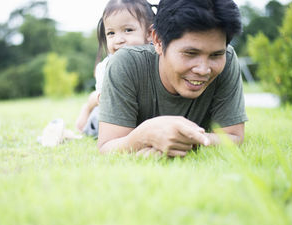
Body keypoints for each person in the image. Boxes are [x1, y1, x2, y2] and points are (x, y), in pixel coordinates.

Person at [98, 0, 248, 157]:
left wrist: (185, 139)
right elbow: (107, 146)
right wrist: (145, 135)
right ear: (157, 40)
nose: (203, 70)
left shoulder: (228, 59)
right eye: (190, 53)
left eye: (216, 55)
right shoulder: (126, 63)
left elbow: (233, 136)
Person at [75, 0, 155, 136]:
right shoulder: (107, 66)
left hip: (138, 113)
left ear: (149, 33)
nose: (118, 40)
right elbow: (106, 103)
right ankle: (86, 110)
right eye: (111, 33)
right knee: (90, 127)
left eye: (128, 30)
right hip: (109, 114)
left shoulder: (156, 58)